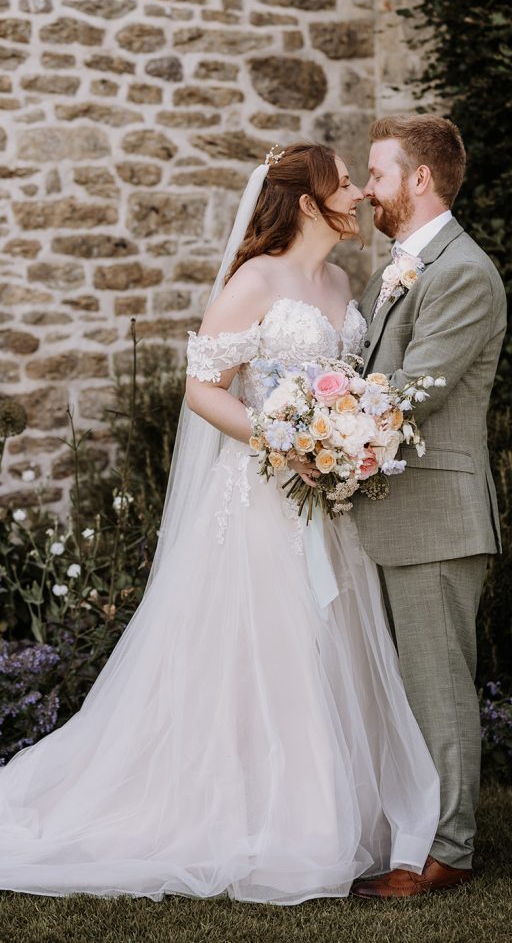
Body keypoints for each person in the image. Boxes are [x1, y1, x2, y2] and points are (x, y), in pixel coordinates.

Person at [0, 143, 439, 905]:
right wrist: (285, 442)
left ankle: (322, 811)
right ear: (309, 202)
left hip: (325, 506)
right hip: (260, 499)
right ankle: (246, 815)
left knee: (324, 646)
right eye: (345, 185)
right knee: (259, 651)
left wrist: (344, 443)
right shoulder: (256, 280)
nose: (361, 197)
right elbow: (203, 389)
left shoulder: (341, 280)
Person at [350, 115, 507, 898]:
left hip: (437, 515)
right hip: (391, 512)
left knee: (438, 688)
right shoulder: (405, 264)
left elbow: (417, 390)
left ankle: (449, 850)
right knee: (405, 688)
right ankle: (413, 829)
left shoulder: (462, 271)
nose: (367, 188)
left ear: (419, 179)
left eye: (377, 174)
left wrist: (320, 430)